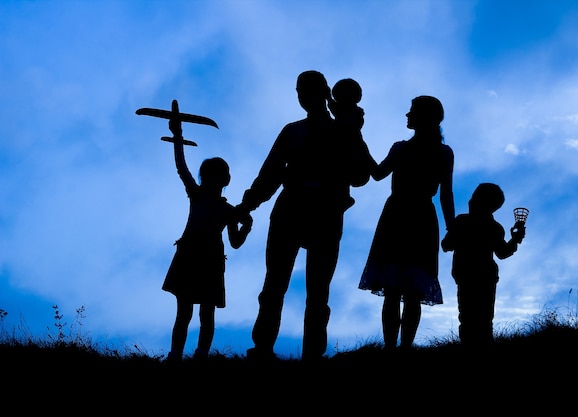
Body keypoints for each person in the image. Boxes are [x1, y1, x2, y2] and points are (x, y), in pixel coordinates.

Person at [236, 70, 372, 361]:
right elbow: (269, 174)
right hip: (297, 210)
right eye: (299, 91)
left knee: (310, 289)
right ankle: (267, 349)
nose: (302, 97)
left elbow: (361, 175)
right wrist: (248, 203)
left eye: (307, 91)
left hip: (320, 211)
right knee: (277, 285)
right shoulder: (296, 130)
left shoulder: (339, 130)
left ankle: (306, 353)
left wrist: (351, 131)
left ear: (324, 93)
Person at [358, 95, 455, 352]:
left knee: (394, 289)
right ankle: (403, 349)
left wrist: (359, 140)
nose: (407, 115)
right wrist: (451, 228)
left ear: (423, 116)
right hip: (421, 216)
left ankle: (393, 349)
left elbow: (377, 174)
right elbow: (446, 194)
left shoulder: (402, 149)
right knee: (411, 290)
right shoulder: (442, 152)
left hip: (398, 215)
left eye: (411, 111)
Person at [162, 117, 253, 363]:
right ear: (226, 179)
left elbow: (182, 167)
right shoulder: (204, 199)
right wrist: (178, 136)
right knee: (195, 313)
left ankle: (187, 355)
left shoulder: (217, 205)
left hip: (201, 259)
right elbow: (182, 167)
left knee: (196, 313)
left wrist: (246, 227)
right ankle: (181, 355)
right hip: (199, 258)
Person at [441, 182, 526, 347]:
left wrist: (452, 230)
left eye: (474, 197)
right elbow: (502, 253)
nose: (470, 201)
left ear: (480, 202)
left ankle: (470, 347)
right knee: (485, 318)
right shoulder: (494, 227)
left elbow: (446, 246)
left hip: (465, 275)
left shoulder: (462, 222)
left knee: (466, 316)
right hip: (486, 276)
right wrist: (515, 240)